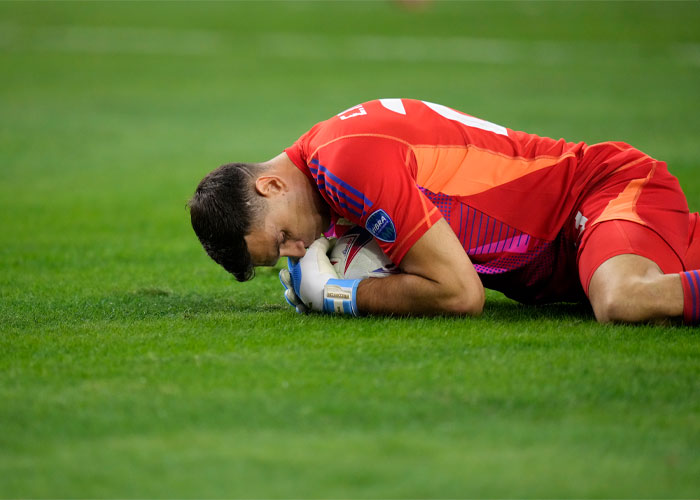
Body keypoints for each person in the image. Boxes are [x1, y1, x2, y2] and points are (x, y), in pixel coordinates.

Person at [188, 98, 700, 325]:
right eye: (283, 257)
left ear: (272, 184)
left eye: (282, 241)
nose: (299, 252)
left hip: (601, 192)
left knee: (625, 302)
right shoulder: (329, 169)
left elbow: (459, 294)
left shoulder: (347, 161)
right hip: (569, 249)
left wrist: (338, 295)